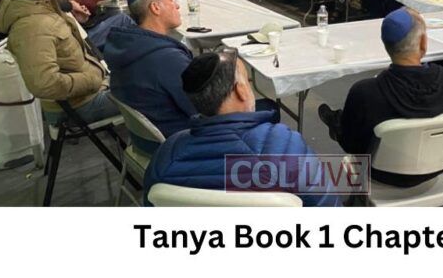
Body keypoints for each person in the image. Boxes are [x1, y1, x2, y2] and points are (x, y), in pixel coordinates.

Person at [143, 49, 340, 207]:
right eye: (248, 81)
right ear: (241, 90)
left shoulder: (167, 155)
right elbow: (328, 207)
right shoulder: (285, 147)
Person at [318, 8, 443, 187]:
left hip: (382, 174)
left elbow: (352, 146)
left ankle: (336, 120)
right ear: (423, 43)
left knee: (346, 123)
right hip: (440, 165)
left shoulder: (366, 93)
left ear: (386, 45)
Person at [0, 0, 118, 124]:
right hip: (80, 105)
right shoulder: (33, 26)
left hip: (90, 91)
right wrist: (92, 80)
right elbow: (43, 84)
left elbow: (63, 50)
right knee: (149, 95)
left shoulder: (44, 10)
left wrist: (76, 22)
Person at [104, 0, 197, 138]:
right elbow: (204, 110)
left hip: (148, 142)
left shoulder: (125, 46)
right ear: (155, 8)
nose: (177, 6)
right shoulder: (168, 60)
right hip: (182, 140)